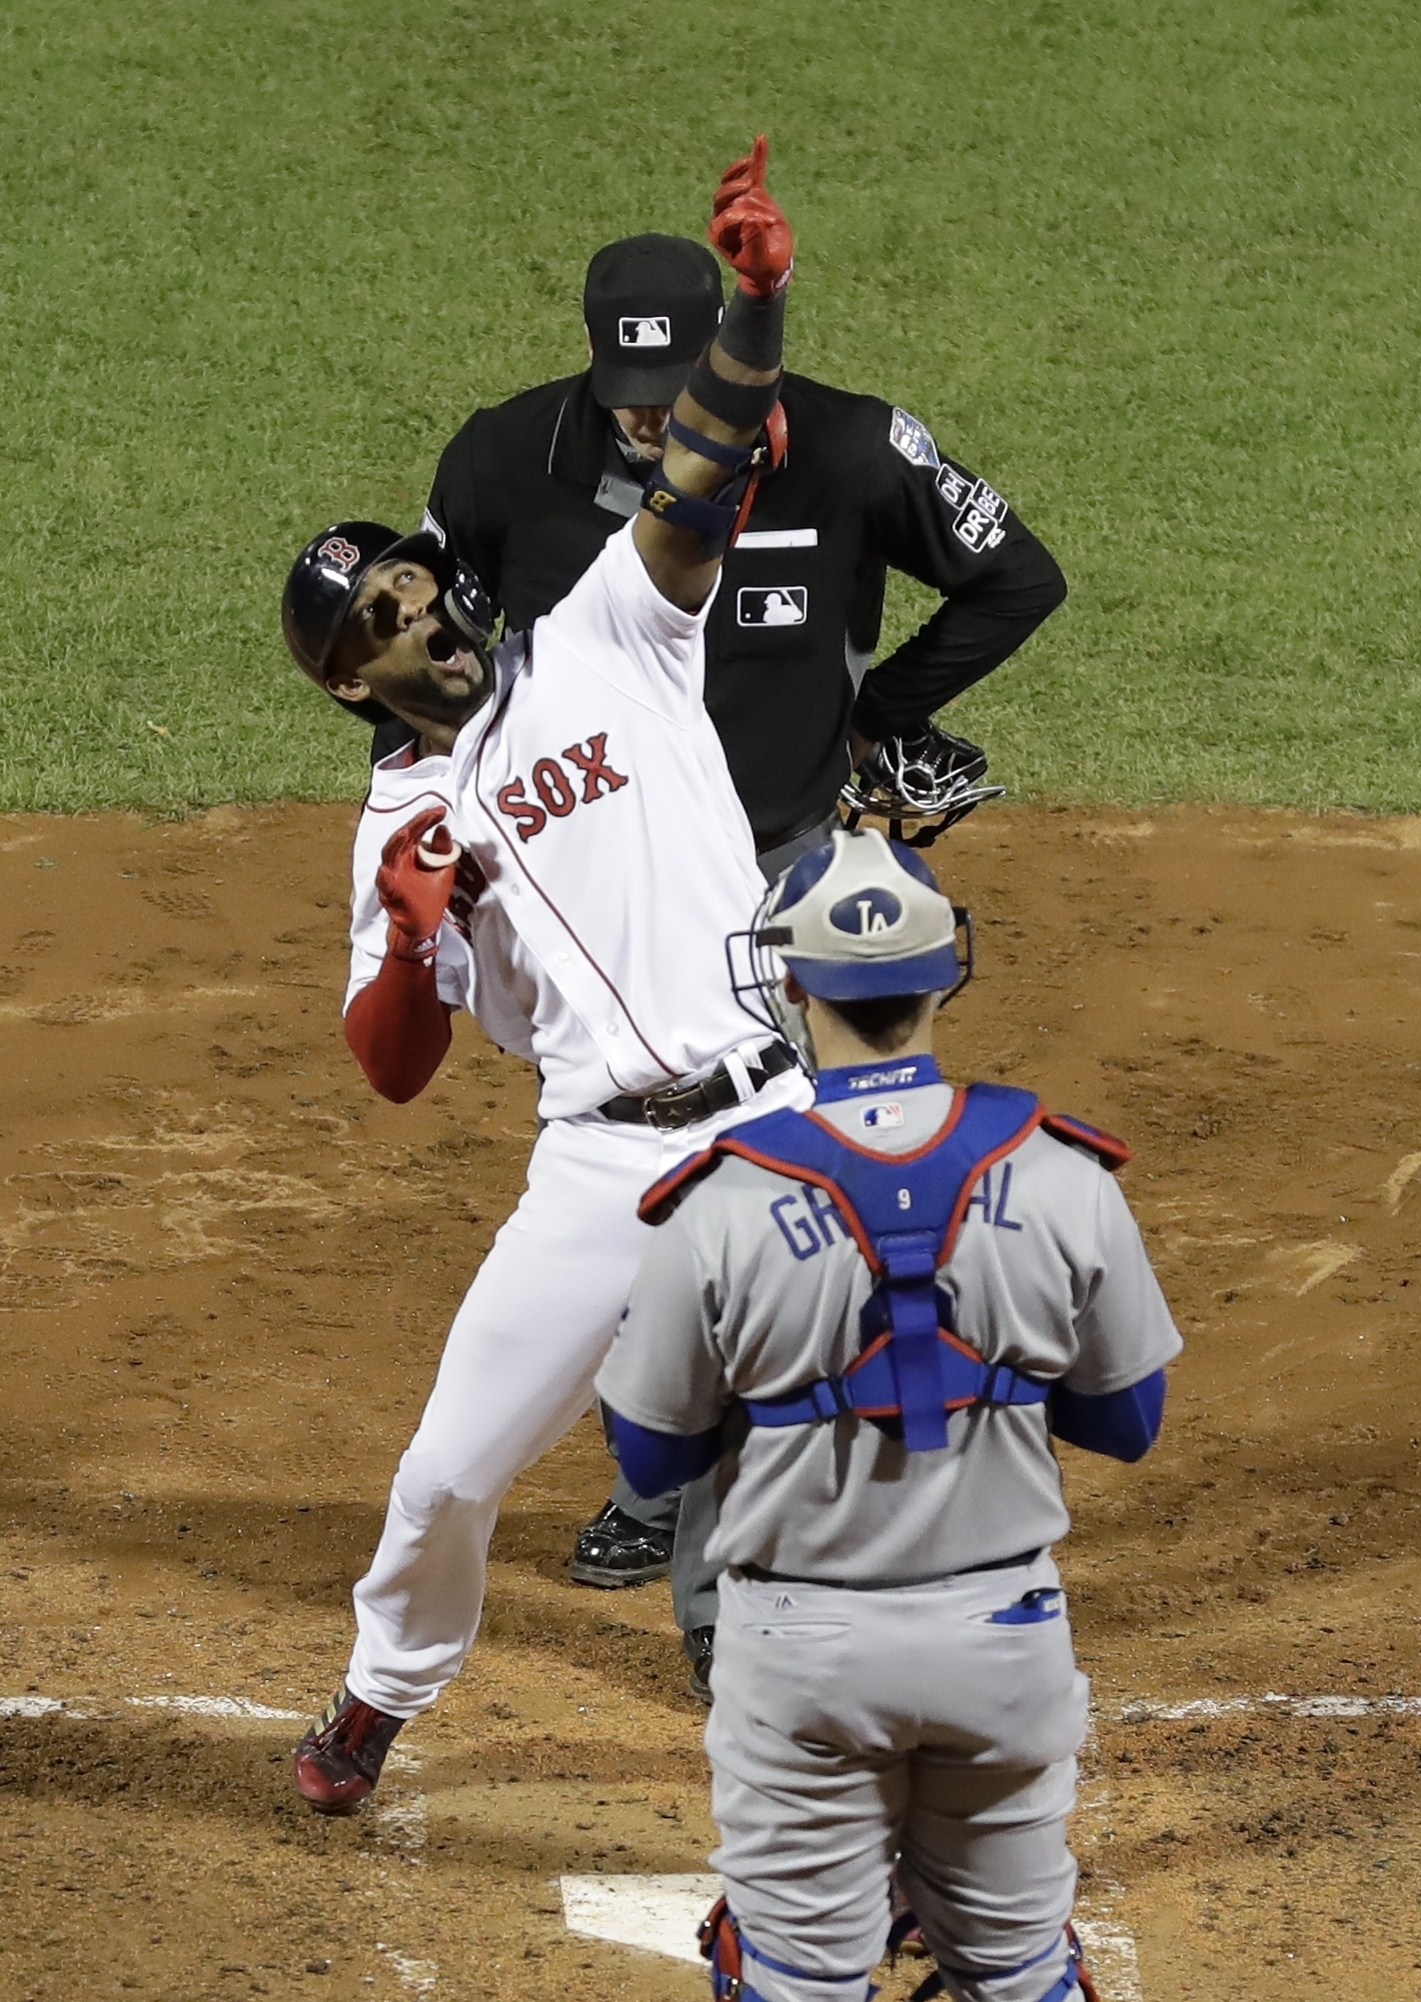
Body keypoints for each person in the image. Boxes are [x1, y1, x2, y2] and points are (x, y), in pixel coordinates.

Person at [402, 217, 1068, 1654]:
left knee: (758, 1221)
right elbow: (431, 644)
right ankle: (665, 1464)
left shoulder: (848, 447)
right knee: (644, 1193)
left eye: (677, 386)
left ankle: (719, 1578)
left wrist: (876, 717)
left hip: (787, 886)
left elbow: (1019, 577)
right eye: (626, 390)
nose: (650, 416)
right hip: (618, 901)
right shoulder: (502, 460)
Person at [279, 139, 812, 1812]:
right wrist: (422, 919)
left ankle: (884, 1749)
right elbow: (387, 1065)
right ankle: (378, 1694)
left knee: (873, 1450)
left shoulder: (604, 632)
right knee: (443, 1475)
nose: (418, 619)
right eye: (379, 620)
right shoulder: (394, 819)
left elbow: (708, 465)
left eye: (414, 585)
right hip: (600, 1159)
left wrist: (755, 303)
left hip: (779, 1111)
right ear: (353, 681)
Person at [595, 827, 1181, 2002]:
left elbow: (648, 1455)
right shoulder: (1064, 1171)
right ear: (942, 971)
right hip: (1006, 1642)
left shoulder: (720, 1199)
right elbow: (1129, 1421)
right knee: (1020, 1971)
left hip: (801, 1656)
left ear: (794, 980)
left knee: (791, 1977)